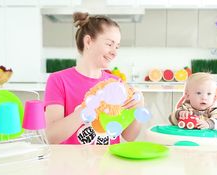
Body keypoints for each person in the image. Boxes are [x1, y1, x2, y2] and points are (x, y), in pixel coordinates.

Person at [44, 12, 143, 144]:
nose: (114, 52)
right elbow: (51, 136)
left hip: (109, 161)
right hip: (70, 163)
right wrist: (87, 108)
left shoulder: (116, 83)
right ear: (89, 41)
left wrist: (139, 106)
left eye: (117, 46)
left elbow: (129, 136)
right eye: (109, 44)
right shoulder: (58, 80)